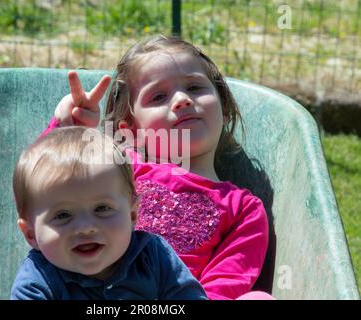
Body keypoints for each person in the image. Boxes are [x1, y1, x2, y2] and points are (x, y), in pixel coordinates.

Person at [41, 35, 272, 300]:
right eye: (159, 96)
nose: (182, 100)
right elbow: (43, 192)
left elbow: (223, 285)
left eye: (195, 87)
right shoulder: (119, 167)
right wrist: (66, 127)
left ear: (225, 107)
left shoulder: (243, 209)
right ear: (131, 130)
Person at [10, 126, 208, 300]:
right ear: (30, 234)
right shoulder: (37, 282)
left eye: (102, 208)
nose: (86, 227)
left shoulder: (153, 255)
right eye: (62, 215)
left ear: (132, 216)